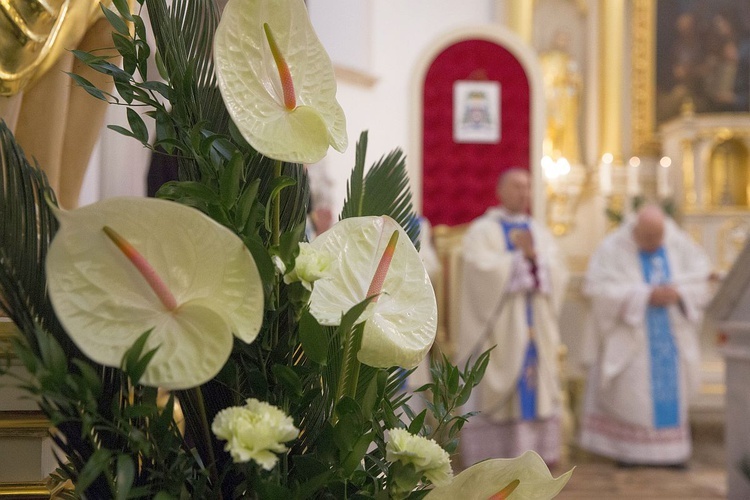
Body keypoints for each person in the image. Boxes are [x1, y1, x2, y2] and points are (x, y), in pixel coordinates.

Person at [579, 204, 712, 467]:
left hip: (671, 335)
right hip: (633, 338)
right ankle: (630, 452)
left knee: (672, 395)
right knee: (634, 395)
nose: (654, 243)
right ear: (635, 230)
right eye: (648, 237)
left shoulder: (679, 244)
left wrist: (679, 294)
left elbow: (703, 280)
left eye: (658, 237)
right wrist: (644, 295)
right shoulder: (612, 248)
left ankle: (673, 454)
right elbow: (597, 289)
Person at [457, 168, 569, 466]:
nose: (524, 192)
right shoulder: (483, 230)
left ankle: (535, 456)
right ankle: (492, 457)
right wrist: (520, 261)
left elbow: (558, 270)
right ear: (500, 191)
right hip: (500, 328)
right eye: (517, 186)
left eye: (528, 187)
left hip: (536, 327)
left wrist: (538, 263)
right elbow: (476, 270)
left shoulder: (539, 231)